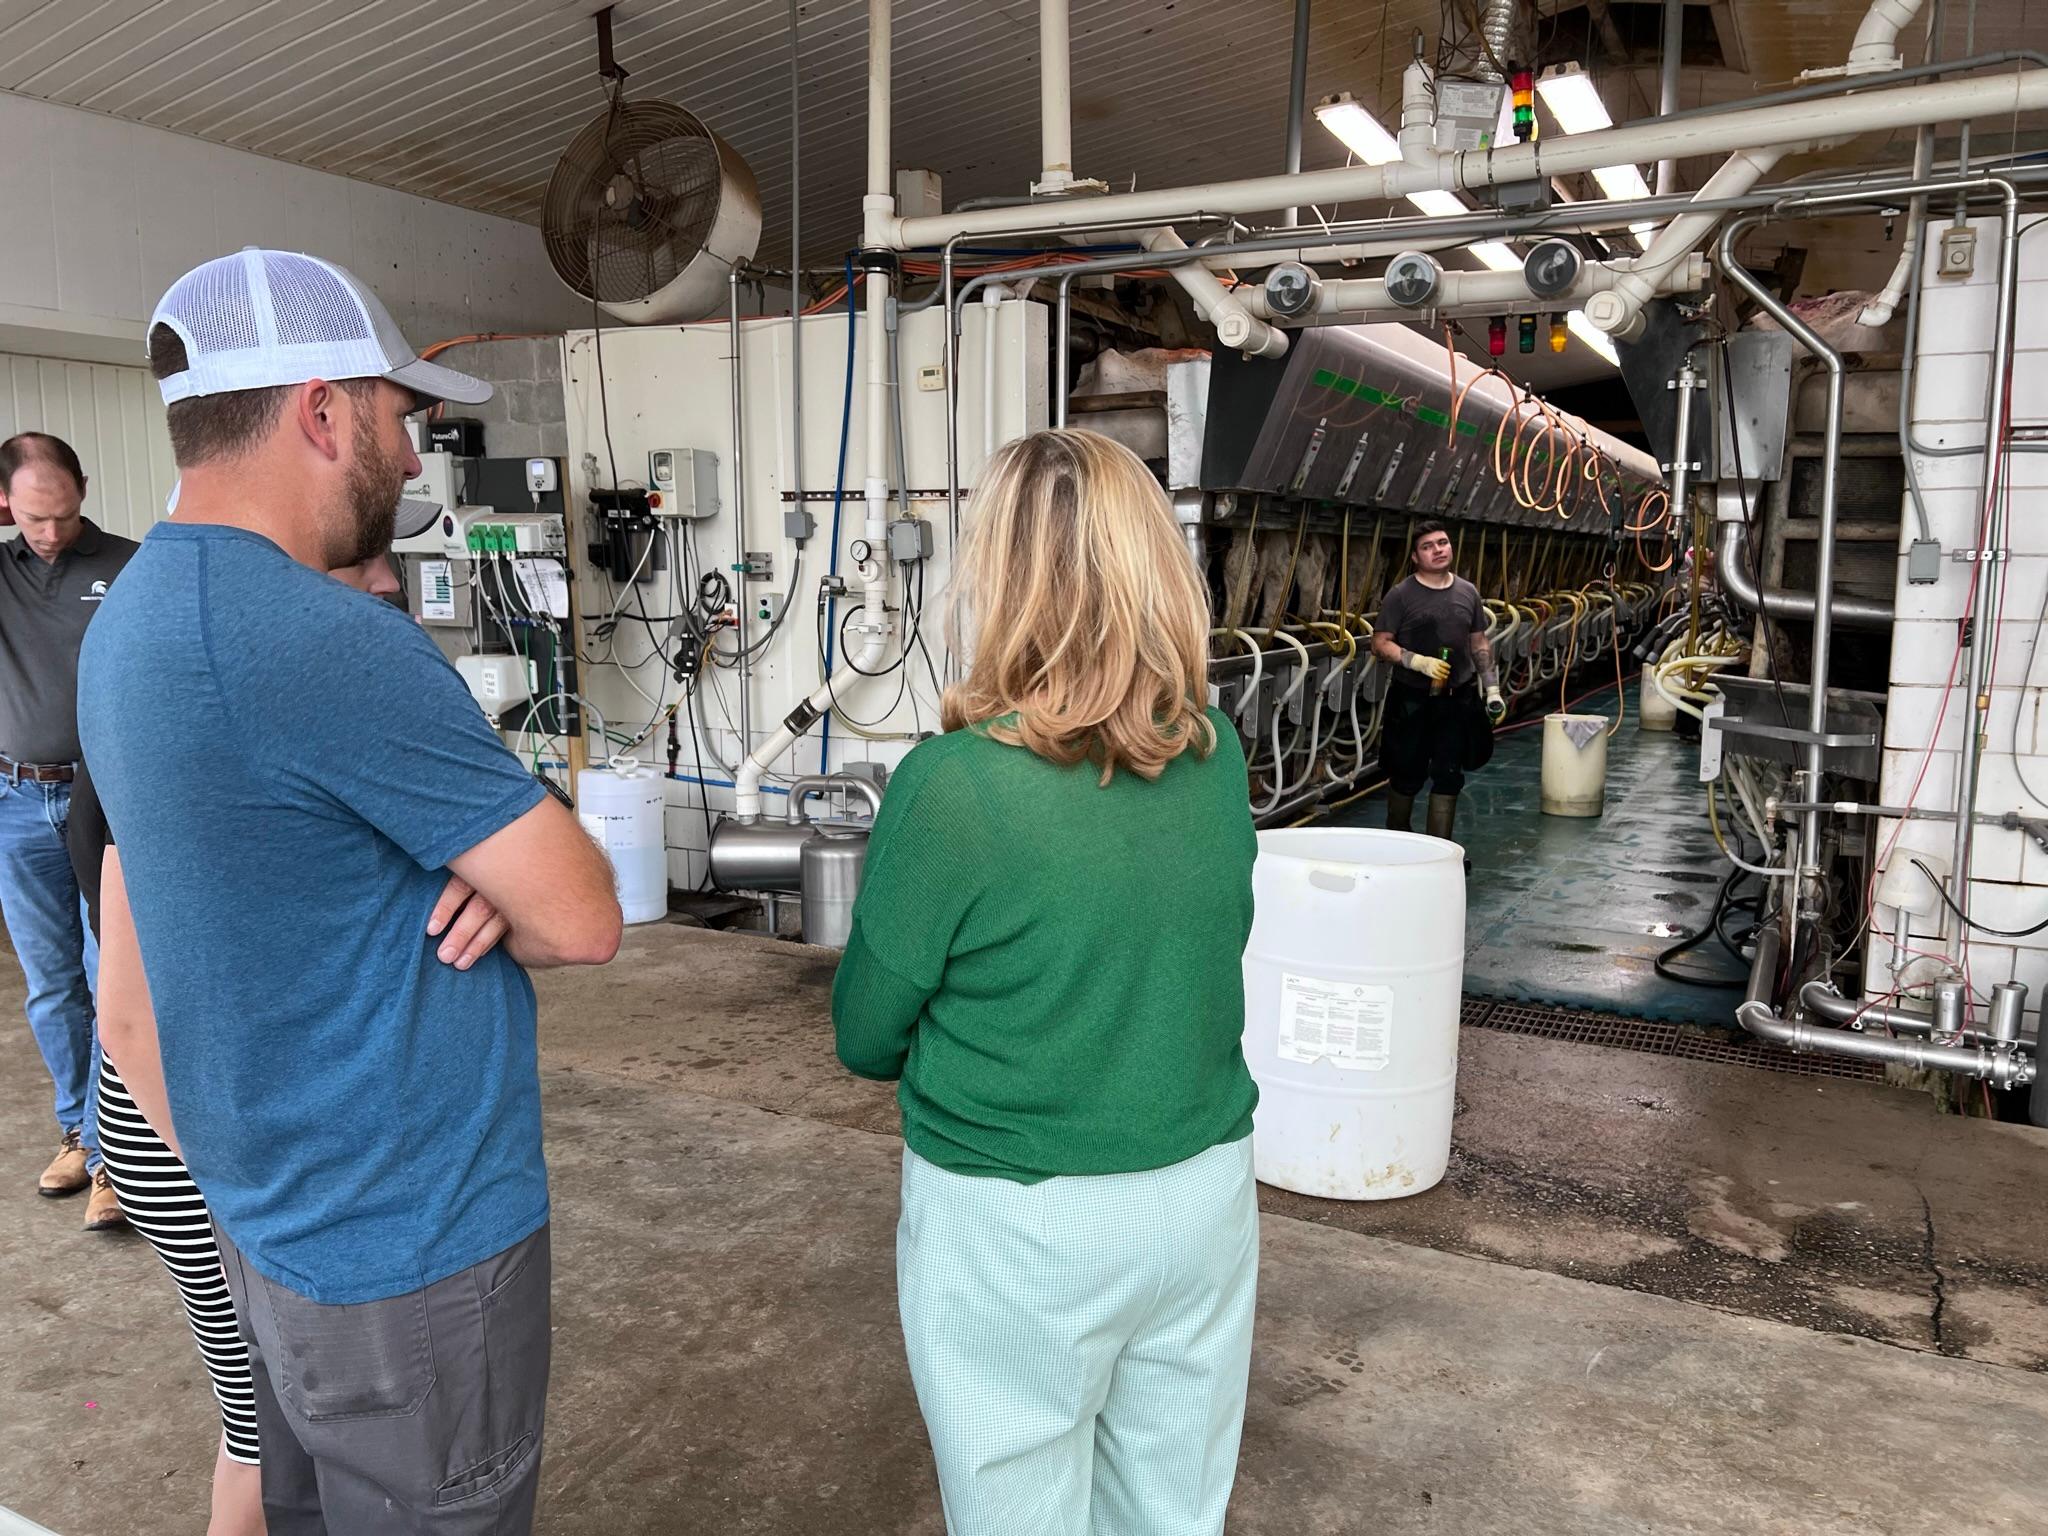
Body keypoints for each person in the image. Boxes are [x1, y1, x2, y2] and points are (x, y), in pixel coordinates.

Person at [79, 248, 623, 1535]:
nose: (414, 458)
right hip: (417, 1250)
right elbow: (583, 916)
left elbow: (141, 991)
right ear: (321, 412)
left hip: (276, 1233)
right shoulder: (326, 639)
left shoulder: (126, 624)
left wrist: (467, 862)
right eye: (397, 417)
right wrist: (490, 864)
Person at [833, 428, 1261, 1536]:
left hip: (1018, 1216)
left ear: (1005, 579)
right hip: (1202, 1195)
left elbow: (864, 1033)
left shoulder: (957, 787)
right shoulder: (1215, 753)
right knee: (1170, 1510)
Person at [69, 522, 504, 1536]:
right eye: (362, 566)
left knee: (287, 1426)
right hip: (197, 1138)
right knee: (259, 1435)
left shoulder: (297, 708)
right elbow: (129, 1020)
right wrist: (251, 1191)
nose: (391, 580)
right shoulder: (173, 744)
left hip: (247, 1129)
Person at [0, 431, 135, 1227]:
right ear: (7, 504)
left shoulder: (128, 565)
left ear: (83, 490)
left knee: (106, 969)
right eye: (36, 518)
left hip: (105, 798)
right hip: (15, 800)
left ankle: (119, 1157)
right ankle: (79, 1136)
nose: (52, 533)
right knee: (51, 984)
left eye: (65, 513)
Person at [1369, 520, 1504, 843]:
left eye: (1442, 542)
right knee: (1405, 772)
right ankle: (1398, 842)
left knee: (1449, 774)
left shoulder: (1467, 592)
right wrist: (1416, 661)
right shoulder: (1401, 595)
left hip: (1458, 698)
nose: (1438, 550)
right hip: (1412, 698)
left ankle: (1440, 850)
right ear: (1415, 557)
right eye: (1428, 546)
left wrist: (1492, 687)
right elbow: (1379, 642)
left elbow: (1479, 641)